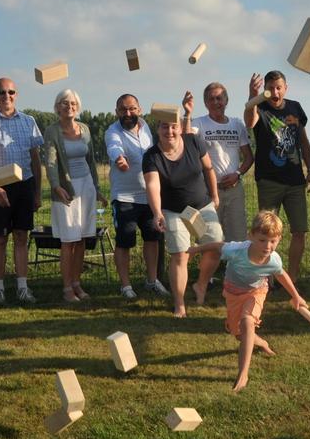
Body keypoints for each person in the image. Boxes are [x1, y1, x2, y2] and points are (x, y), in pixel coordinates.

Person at [188, 211, 306, 393]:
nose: (268, 246)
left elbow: (281, 275)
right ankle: (262, 343)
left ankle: (243, 374)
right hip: (233, 293)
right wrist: (196, 250)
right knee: (239, 334)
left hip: (256, 292)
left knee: (248, 322)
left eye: (273, 241)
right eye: (262, 240)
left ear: (279, 239)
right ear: (251, 236)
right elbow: (217, 246)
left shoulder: (273, 260)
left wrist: (296, 296)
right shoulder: (236, 250)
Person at [142, 113, 222, 317]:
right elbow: (152, 185)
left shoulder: (194, 142)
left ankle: (201, 285)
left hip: (201, 207)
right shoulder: (151, 155)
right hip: (173, 211)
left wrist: (214, 195)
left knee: (215, 247)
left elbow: (209, 168)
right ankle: (179, 304)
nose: (169, 131)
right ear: (157, 129)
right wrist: (157, 213)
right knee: (180, 254)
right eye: (164, 127)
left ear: (179, 128)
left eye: (173, 127)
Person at [0, 78, 43, 304]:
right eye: (1, 92)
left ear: (16, 94)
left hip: (25, 185)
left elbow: (35, 159)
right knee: (0, 238)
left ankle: (23, 287)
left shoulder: (29, 121)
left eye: (11, 92)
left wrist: (38, 192)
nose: (7, 96)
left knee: (22, 236)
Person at [244, 70, 310, 282]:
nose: (275, 92)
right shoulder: (260, 107)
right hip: (269, 181)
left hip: (295, 181)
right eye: (271, 88)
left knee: (299, 231)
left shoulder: (295, 108)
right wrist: (252, 96)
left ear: (286, 88)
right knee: (265, 233)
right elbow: (249, 122)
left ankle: (290, 279)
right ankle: (267, 277)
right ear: (265, 89)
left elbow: (303, 140)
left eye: (279, 87)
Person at [43, 88, 108, 302]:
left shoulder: (86, 129)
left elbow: (90, 160)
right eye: (64, 103)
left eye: (72, 103)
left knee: (81, 239)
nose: (69, 106)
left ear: (77, 107)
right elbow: (50, 162)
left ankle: (77, 283)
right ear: (57, 107)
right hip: (66, 190)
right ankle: (66, 288)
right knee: (68, 240)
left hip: (86, 187)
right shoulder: (52, 131)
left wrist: (97, 188)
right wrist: (55, 186)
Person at [105, 94, 169, 300]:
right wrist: (119, 158)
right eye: (123, 110)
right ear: (117, 112)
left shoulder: (146, 127)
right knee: (124, 241)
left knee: (152, 238)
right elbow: (114, 146)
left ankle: (152, 281)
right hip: (124, 198)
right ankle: (125, 285)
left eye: (132, 109)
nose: (128, 113)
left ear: (139, 110)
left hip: (150, 196)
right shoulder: (112, 131)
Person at [184, 82, 253, 242]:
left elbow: (249, 157)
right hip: (207, 191)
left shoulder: (236, 124)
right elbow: (186, 140)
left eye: (219, 98)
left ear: (226, 100)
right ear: (205, 103)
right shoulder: (199, 123)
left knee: (237, 235)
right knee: (209, 236)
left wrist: (237, 174)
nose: (216, 102)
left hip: (234, 190)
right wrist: (187, 114)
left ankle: (233, 266)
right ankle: (211, 266)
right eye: (211, 99)